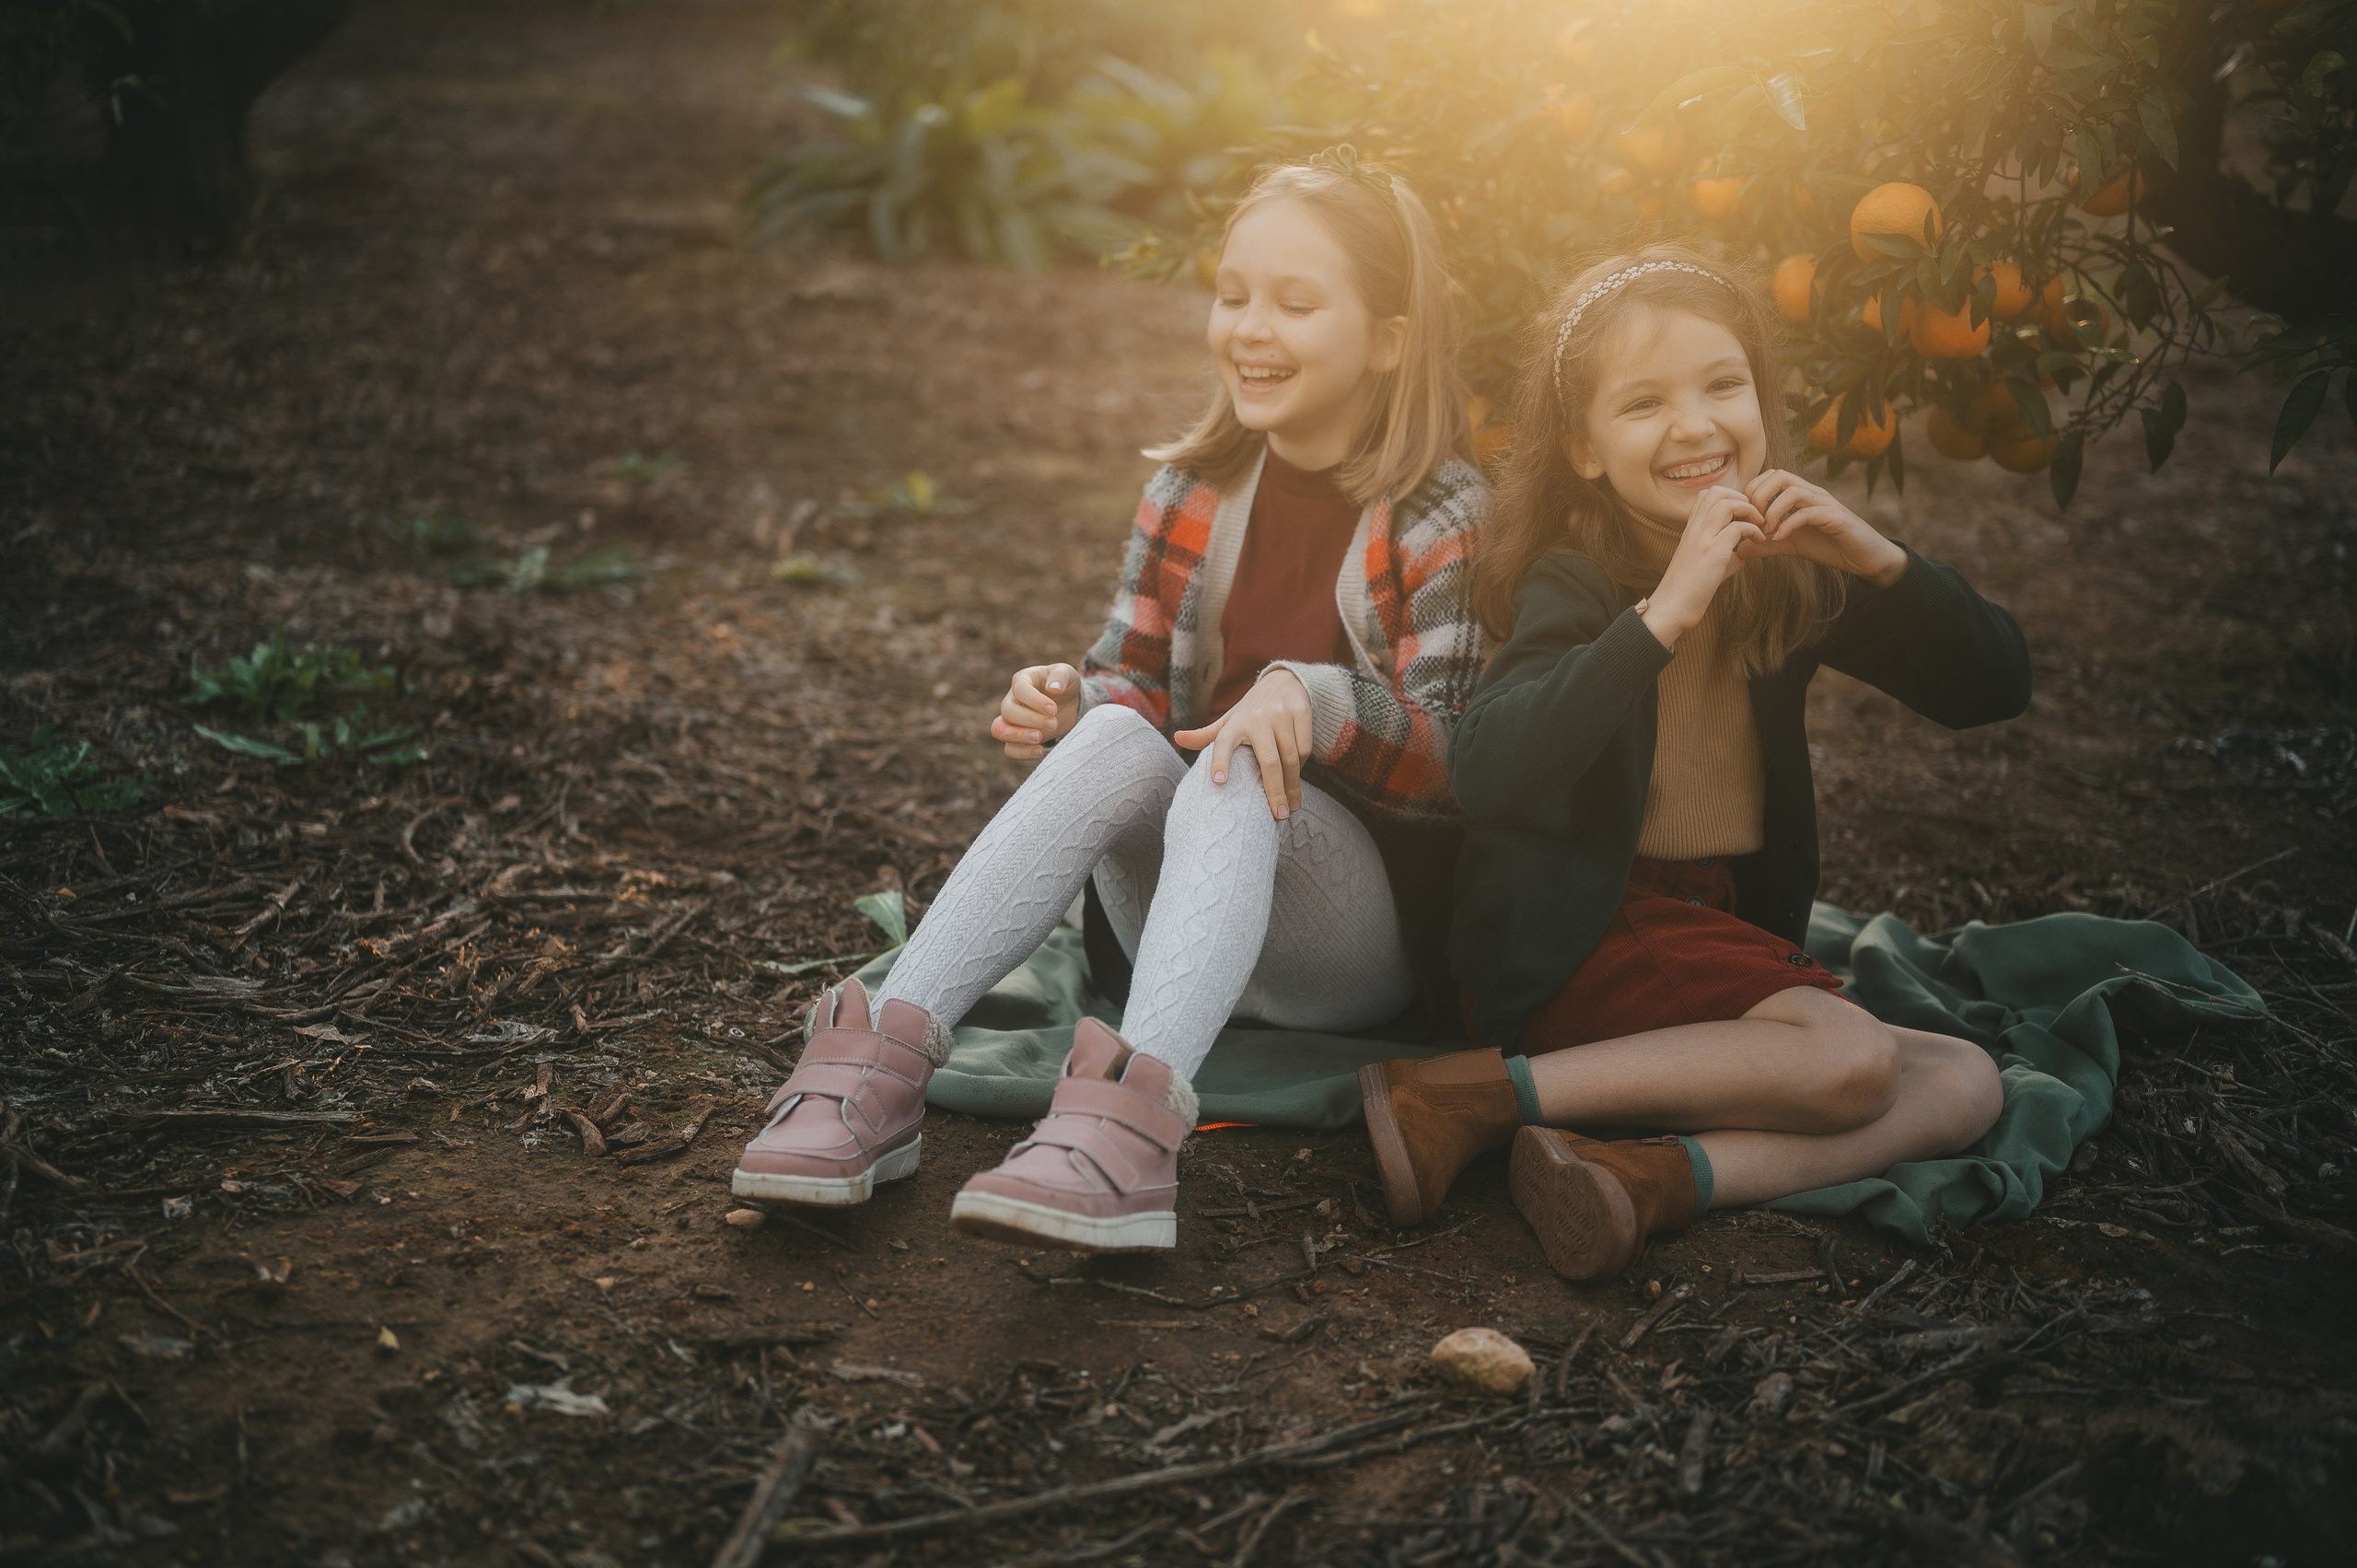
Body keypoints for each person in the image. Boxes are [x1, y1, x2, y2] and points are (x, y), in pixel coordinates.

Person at [734, 148, 1487, 1253]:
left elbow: (1459, 759)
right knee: (1113, 734)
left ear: (1389, 338)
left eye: (1295, 304)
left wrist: (1315, 699)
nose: (1251, 328)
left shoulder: (1442, 513)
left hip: (1351, 943)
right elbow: (1132, 682)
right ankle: (878, 1070)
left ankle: (1131, 1135)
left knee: (1236, 760)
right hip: (1171, 921)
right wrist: (1072, 697)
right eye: (1233, 295)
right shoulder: (1191, 490)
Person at [1357, 245, 2028, 1279]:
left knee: (1966, 1079)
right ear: (1584, 449)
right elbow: (1489, 771)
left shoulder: (1784, 569)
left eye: (1723, 385)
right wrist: (1662, 613)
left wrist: (1880, 559)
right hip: (1580, 928)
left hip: (1708, 927)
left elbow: (1992, 686)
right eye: (1644, 403)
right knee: (1854, 1059)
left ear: (1762, 400)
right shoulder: (1577, 576)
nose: (1695, 426)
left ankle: (1642, 1179)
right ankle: (1464, 1095)